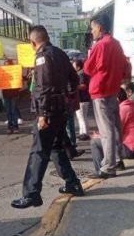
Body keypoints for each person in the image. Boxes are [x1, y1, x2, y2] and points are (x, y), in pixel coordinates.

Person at [11, 26, 83, 208]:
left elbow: (43, 87)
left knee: (38, 151)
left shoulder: (42, 56)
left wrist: (43, 114)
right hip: (60, 110)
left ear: (32, 42)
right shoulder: (60, 53)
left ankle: (31, 194)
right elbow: (74, 80)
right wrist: (64, 95)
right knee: (56, 147)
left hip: (48, 112)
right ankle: (72, 183)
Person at [84, 13, 130, 180]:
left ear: (99, 27)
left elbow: (88, 69)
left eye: (92, 28)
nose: (92, 32)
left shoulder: (100, 45)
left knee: (106, 129)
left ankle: (109, 166)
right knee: (115, 126)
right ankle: (118, 159)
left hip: (100, 90)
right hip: (113, 89)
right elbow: (126, 65)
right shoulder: (116, 44)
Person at [90, 84, 134, 174]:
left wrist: (97, 135)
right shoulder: (129, 105)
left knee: (95, 142)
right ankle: (117, 162)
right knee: (108, 139)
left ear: (116, 99)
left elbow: (113, 132)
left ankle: (100, 171)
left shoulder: (123, 109)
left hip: (132, 149)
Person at [72, 59, 90, 140]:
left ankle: (84, 133)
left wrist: (73, 87)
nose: (73, 67)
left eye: (74, 66)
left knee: (81, 117)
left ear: (78, 67)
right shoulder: (82, 73)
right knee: (83, 117)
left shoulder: (80, 74)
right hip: (85, 98)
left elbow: (83, 86)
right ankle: (83, 132)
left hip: (81, 98)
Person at [1, 59, 20, 134]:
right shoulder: (2, 72)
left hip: (14, 94)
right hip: (5, 94)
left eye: (8, 64)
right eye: (5, 65)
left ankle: (15, 127)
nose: (7, 66)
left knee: (13, 111)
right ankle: (9, 126)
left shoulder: (15, 72)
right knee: (8, 111)